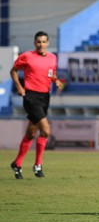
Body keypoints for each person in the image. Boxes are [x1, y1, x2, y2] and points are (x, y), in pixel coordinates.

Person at [10, 31, 62, 179]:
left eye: (44, 42)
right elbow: (13, 71)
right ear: (34, 43)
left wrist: (56, 81)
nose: (41, 44)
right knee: (46, 131)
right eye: (38, 42)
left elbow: (51, 74)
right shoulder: (27, 56)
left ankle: (17, 163)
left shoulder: (53, 58)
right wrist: (19, 87)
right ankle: (38, 164)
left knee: (31, 133)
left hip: (45, 97)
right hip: (31, 96)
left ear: (48, 43)